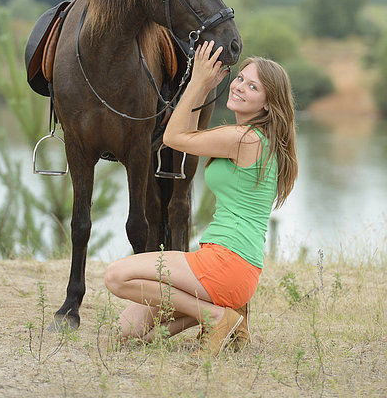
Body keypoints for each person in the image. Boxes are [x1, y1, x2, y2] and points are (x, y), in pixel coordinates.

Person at [105, 41, 298, 355]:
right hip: (237, 272)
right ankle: (228, 316)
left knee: (116, 277)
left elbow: (172, 138)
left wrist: (196, 82)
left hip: (225, 263)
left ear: (267, 104)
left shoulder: (244, 138)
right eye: (240, 79)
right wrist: (203, 86)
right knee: (129, 331)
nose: (239, 87)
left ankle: (215, 315)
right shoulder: (257, 139)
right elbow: (188, 138)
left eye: (253, 87)